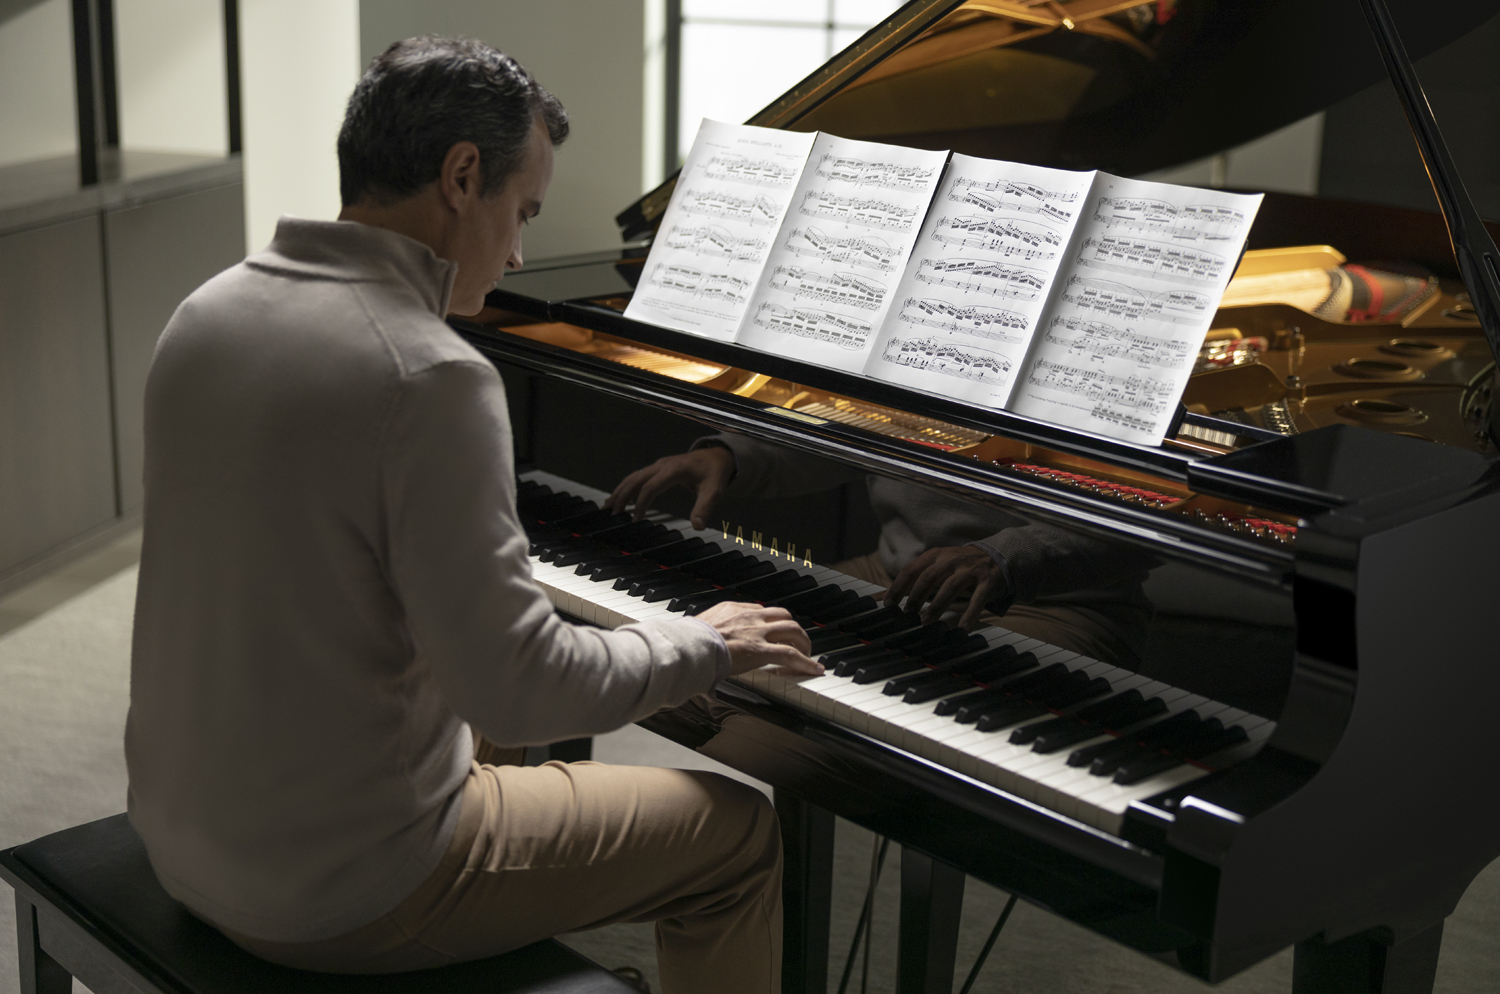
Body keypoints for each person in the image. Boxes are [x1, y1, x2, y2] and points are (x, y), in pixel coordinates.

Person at [124, 37, 818, 994]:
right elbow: (519, 688)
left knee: (492, 729)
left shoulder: (207, 310)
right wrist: (698, 642)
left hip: (181, 829)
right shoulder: (430, 372)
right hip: (339, 888)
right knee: (736, 835)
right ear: (461, 177)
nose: (522, 250)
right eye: (522, 211)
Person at [607, 434, 1156, 666]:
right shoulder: (919, 316)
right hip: (895, 575)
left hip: (1058, 601)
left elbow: (1158, 508)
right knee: (703, 674)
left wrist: (1007, 555)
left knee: (764, 722)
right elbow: (847, 430)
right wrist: (732, 454)